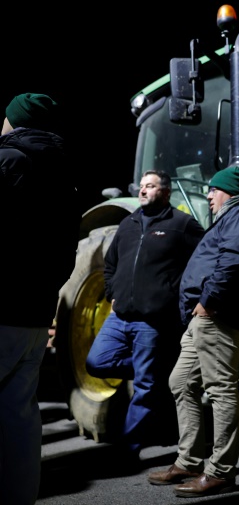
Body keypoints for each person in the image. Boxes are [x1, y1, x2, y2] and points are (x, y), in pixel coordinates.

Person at [147, 166, 239, 497]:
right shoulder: (233, 219)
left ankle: (220, 471)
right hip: (203, 317)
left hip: (217, 313)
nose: (208, 196)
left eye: (213, 190)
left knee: (221, 390)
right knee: (180, 382)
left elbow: (234, 262)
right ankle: (189, 460)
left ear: (229, 193)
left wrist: (207, 302)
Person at [84, 169, 204, 464]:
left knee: (145, 388)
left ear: (165, 192)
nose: (142, 190)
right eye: (142, 185)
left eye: (150, 186)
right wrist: (112, 293)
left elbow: (202, 261)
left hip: (151, 321)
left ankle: (128, 449)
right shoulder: (128, 223)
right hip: (120, 316)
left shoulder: (182, 224)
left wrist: (176, 296)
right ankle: (154, 371)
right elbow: (109, 264)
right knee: (96, 362)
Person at [0, 92, 79, 505]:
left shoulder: (9, 161)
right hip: (33, 313)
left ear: (16, 121)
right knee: (19, 416)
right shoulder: (64, 174)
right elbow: (68, 252)